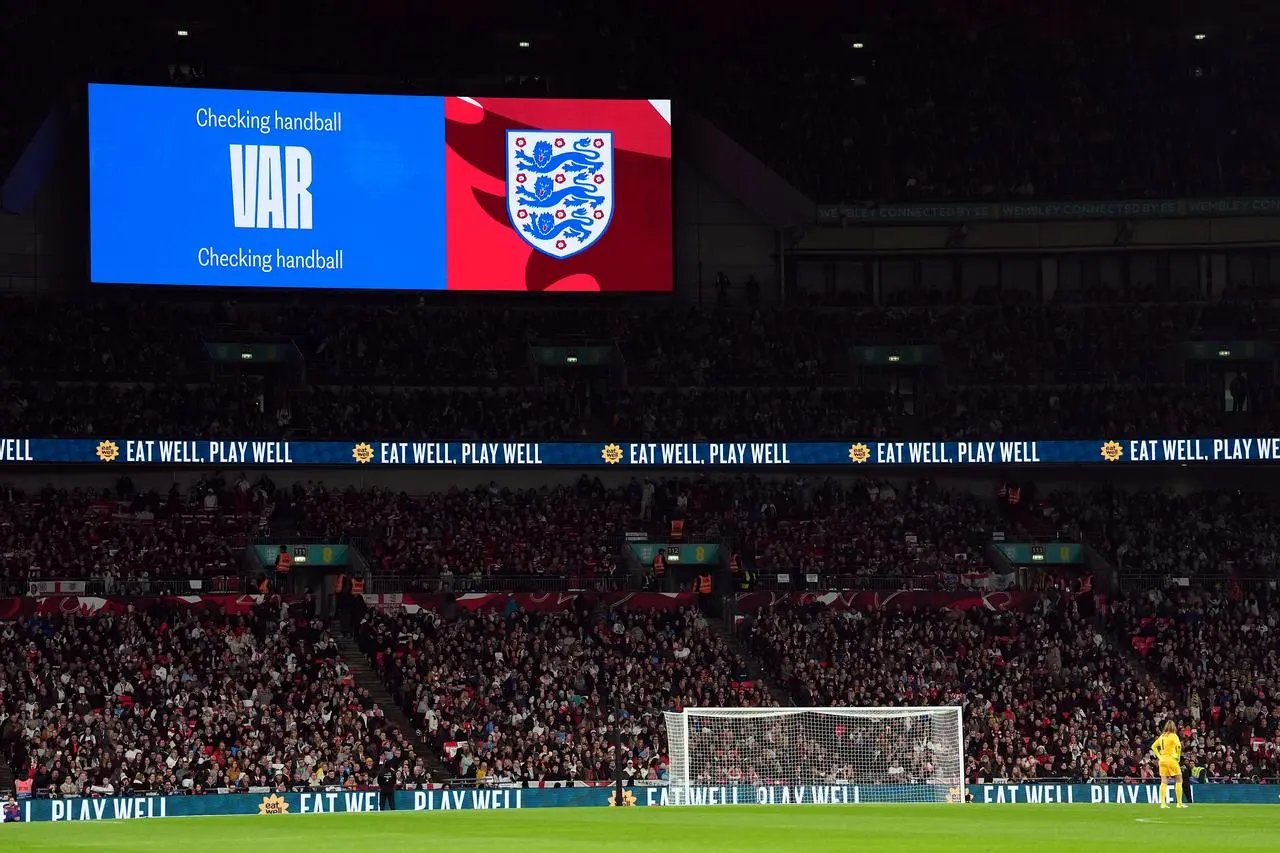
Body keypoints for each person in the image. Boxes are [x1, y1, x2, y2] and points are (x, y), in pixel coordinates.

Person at [1150, 721, 1187, 809]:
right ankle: (1179, 803)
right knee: (1179, 780)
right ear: (1174, 727)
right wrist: (1178, 757)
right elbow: (1178, 746)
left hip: (1162, 760)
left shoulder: (1162, 736)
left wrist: (1159, 756)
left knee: (1164, 781)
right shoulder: (1173, 735)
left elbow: (1153, 746)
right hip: (1171, 759)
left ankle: (1163, 803)